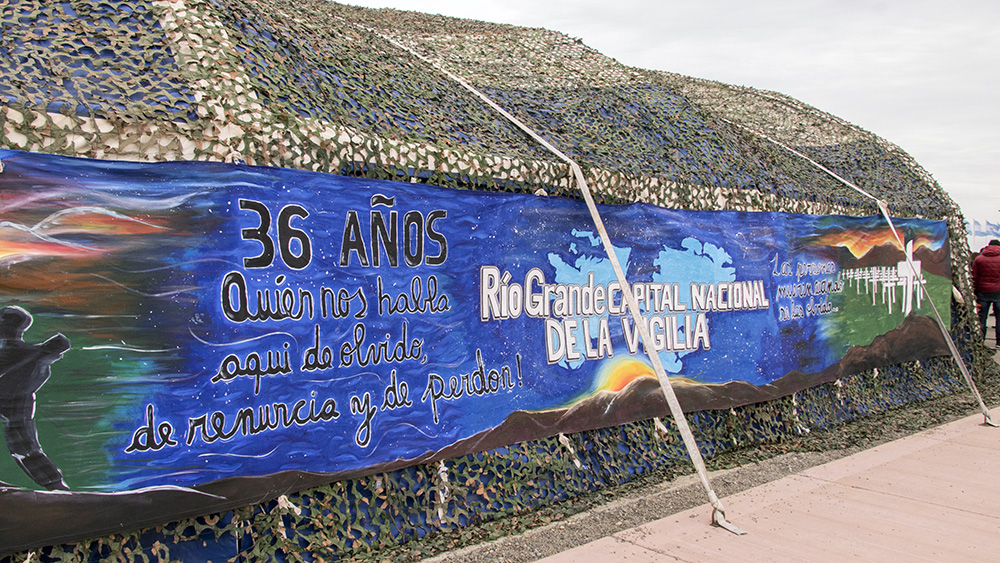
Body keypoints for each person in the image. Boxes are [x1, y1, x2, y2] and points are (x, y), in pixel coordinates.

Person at [0, 305, 70, 490]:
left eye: (3, 322)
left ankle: (57, 487)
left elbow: (37, 376)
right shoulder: (26, 353)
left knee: (24, 449)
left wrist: (43, 355)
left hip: (17, 404)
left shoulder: (31, 353)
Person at [972, 240, 1000, 343]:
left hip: (983, 291)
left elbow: (974, 276)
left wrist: (974, 290)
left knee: (982, 317)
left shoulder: (979, 259)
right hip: (999, 292)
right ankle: (999, 341)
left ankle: (980, 340)